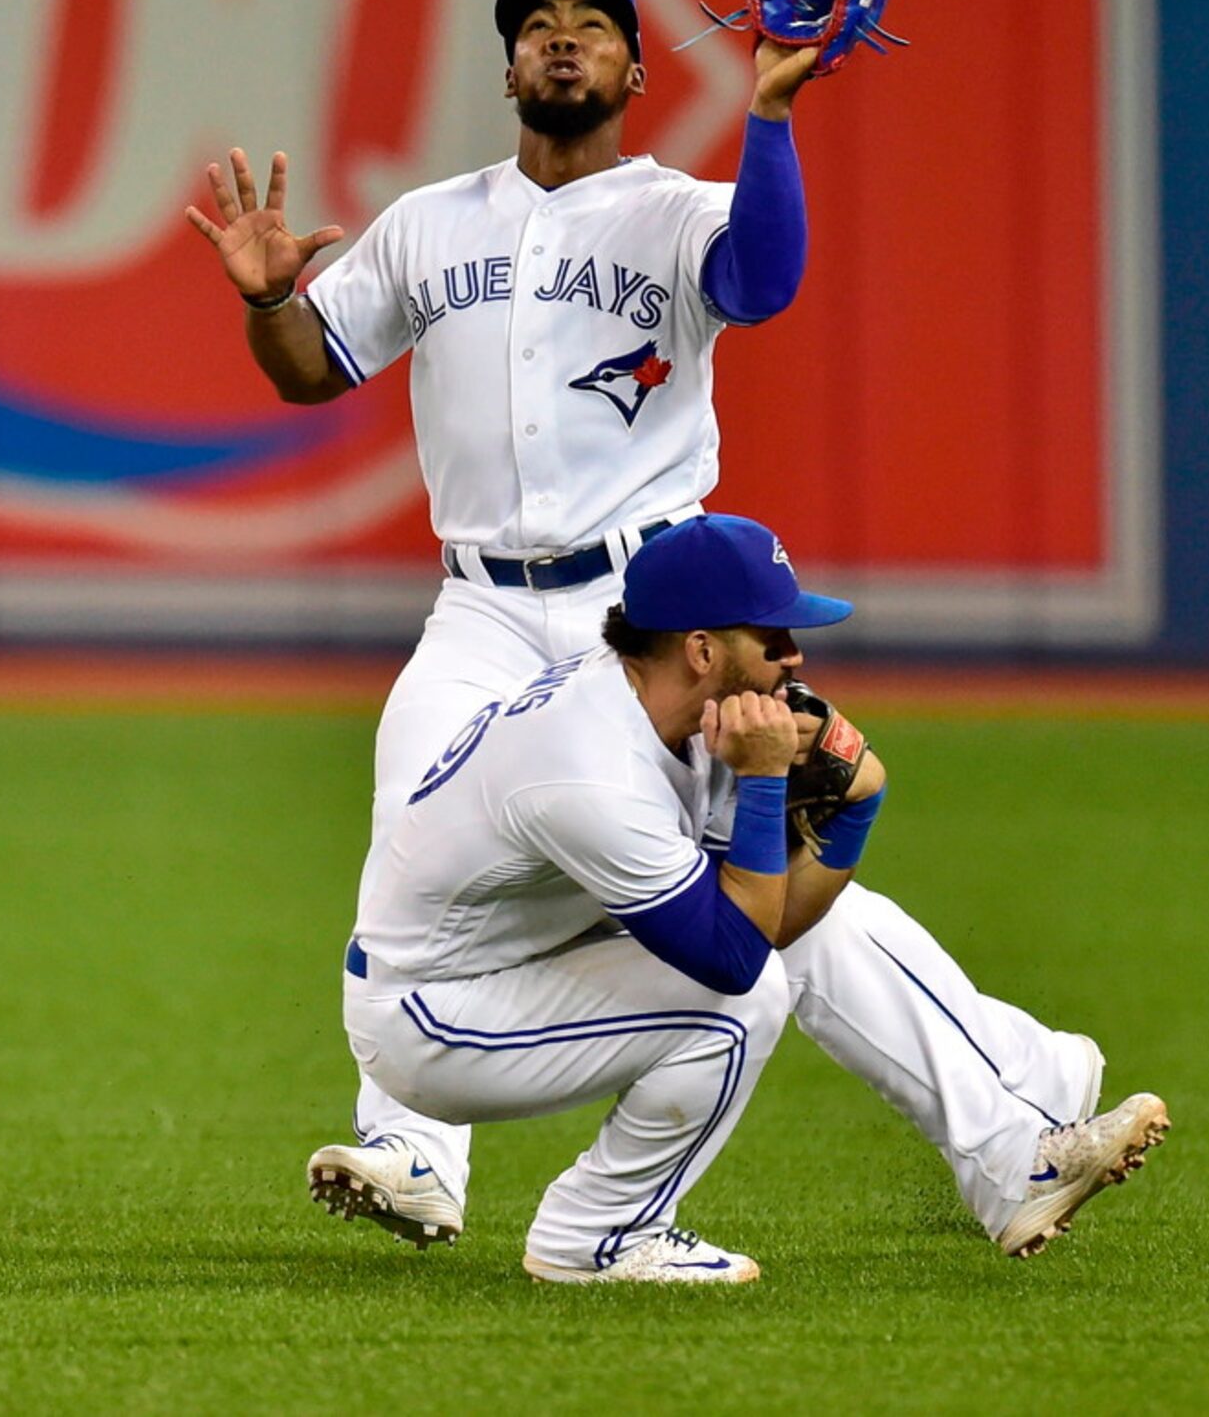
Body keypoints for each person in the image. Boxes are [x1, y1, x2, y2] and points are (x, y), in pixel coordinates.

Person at [186, 0, 1168, 1262]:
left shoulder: (676, 211)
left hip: (647, 612)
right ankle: (418, 1153)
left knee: (749, 875)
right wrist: (266, 299)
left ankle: (1008, 1121)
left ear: (637, 72)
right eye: (536, 27)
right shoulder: (431, 222)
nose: (562, 40)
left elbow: (763, 279)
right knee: (424, 849)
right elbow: (317, 366)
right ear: (508, 71)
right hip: (479, 604)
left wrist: (769, 114)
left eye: (591, 25)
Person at [326, 514, 869, 1283]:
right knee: (743, 1000)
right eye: (772, 637)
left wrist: (853, 817)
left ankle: (598, 1230)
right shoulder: (589, 765)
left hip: (502, 968)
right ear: (703, 650)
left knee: (756, 980)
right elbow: (736, 956)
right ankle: (598, 1237)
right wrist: (767, 782)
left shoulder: (669, 710)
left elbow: (766, 921)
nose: (795, 655)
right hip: (426, 1017)